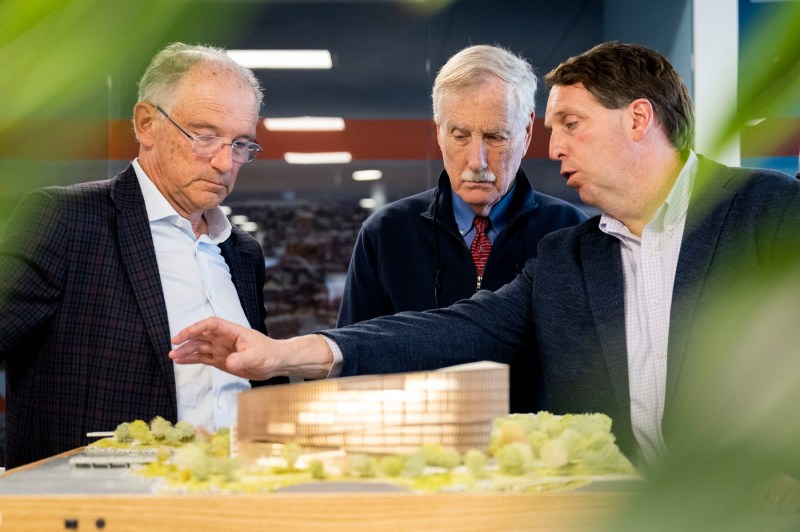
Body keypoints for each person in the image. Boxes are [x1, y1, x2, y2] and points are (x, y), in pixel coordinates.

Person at [169, 42, 800, 472]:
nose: (555, 150)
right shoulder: (572, 256)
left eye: (571, 124)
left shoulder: (769, 212)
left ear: (638, 119)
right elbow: (454, 328)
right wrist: (282, 353)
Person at [0, 43, 286, 469]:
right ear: (147, 124)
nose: (226, 162)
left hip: (229, 495)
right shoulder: (66, 219)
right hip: (100, 505)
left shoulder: (242, 252)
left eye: (242, 143)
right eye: (205, 137)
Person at [336, 44, 586, 413]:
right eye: (460, 135)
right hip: (419, 455)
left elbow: (585, 370)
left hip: (533, 456)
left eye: (495, 137)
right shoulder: (386, 234)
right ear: (438, 132)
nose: (476, 161)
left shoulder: (568, 233)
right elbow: (355, 367)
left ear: (527, 131)